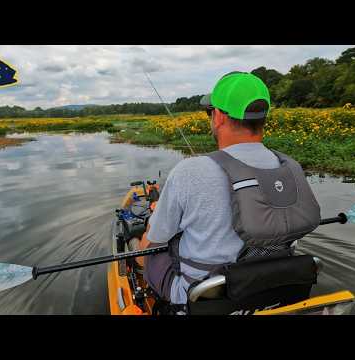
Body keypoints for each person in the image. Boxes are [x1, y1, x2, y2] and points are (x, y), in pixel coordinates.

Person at [131, 71, 320, 307]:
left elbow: (158, 237)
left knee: (145, 247)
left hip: (205, 297)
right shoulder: (290, 167)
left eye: (210, 112)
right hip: (275, 288)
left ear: (219, 116)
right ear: (263, 117)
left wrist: (154, 218)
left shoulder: (189, 171)